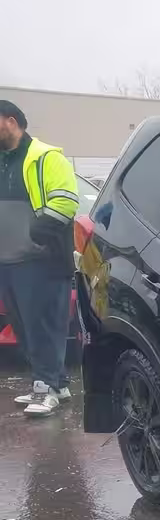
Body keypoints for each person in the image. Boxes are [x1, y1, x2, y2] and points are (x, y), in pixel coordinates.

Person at [0, 100, 78, 416]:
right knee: (23, 325)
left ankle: (45, 388)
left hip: (39, 259)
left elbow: (66, 200)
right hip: (7, 259)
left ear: (11, 121)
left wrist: (37, 233)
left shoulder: (45, 157)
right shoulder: (3, 161)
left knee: (43, 324)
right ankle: (55, 384)